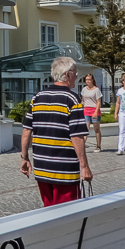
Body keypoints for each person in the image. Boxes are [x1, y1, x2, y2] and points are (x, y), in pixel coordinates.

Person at [21, 56, 92, 206]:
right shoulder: (72, 99)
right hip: (64, 169)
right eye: (75, 73)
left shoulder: (37, 98)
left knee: (49, 210)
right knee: (67, 213)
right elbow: (77, 137)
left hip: (41, 167)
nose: (77, 77)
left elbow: (27, 130)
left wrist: (24, 158)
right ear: (67, 75)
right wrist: (84, 167)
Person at [81, 73, 103, 152]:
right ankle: (82, 145)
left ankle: (98, 146)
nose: (88, 81)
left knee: (96, 129)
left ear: (92, 80)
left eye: (89, 79)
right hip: (86, 110)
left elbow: (98, 102)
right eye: (86, 79)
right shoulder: (84, 89)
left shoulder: (96, 89)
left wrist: (96, 112)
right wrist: (81, 109)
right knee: (85, 129)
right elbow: (83, 101)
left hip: (94, 110)